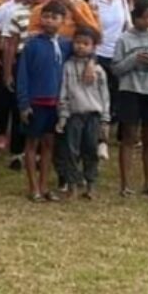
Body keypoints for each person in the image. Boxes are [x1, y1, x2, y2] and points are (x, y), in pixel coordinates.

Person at [111, 0, 148, 197]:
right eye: (143, 18)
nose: (147, 22)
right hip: (130, 90)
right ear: (134, 17)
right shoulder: (124, 39)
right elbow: (116, 68)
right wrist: (135, 59)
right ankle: (125, 184)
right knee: (129, 137)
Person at [17, 1, 71, 202]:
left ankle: (44, 184)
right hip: (36, 101)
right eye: (46, 16)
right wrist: (24, 103)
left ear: (63, 21)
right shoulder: (32, 45)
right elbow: (23, 75)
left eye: (54, 17)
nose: (49, 21)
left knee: (49, 144)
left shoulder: (66, 45)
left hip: (56, 102)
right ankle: (33, 187)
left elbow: (89, 47)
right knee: (32, 143)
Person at [56, 27, 109, 199]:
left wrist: (105, 120)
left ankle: (91, 185)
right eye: (77, 42)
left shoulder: (99, 70)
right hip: (73, 115)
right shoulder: (67, 67)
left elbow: (105, 96)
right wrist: (63, 115)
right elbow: (63, 92)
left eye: (85, 44)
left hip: (93, 115)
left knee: (91, 151)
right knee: (71, 152)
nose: (80, 47)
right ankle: (72, 185)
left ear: (93, 47)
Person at [3, 0, 48, 170]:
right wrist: (7, 73)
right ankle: (17, 152)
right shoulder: (18, 14)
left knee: (41, 108)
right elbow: (10, 46)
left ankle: (38, 153)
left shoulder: (52, 15)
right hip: (22, 63)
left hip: (43, 65)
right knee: (19, 107)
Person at [90, 0, 127, 124]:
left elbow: (127, 25)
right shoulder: (93, 0)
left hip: (118, 52)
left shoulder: (122, 0)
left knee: (117, 89)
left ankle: (112, 118)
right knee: (98, 89)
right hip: (99, 51)